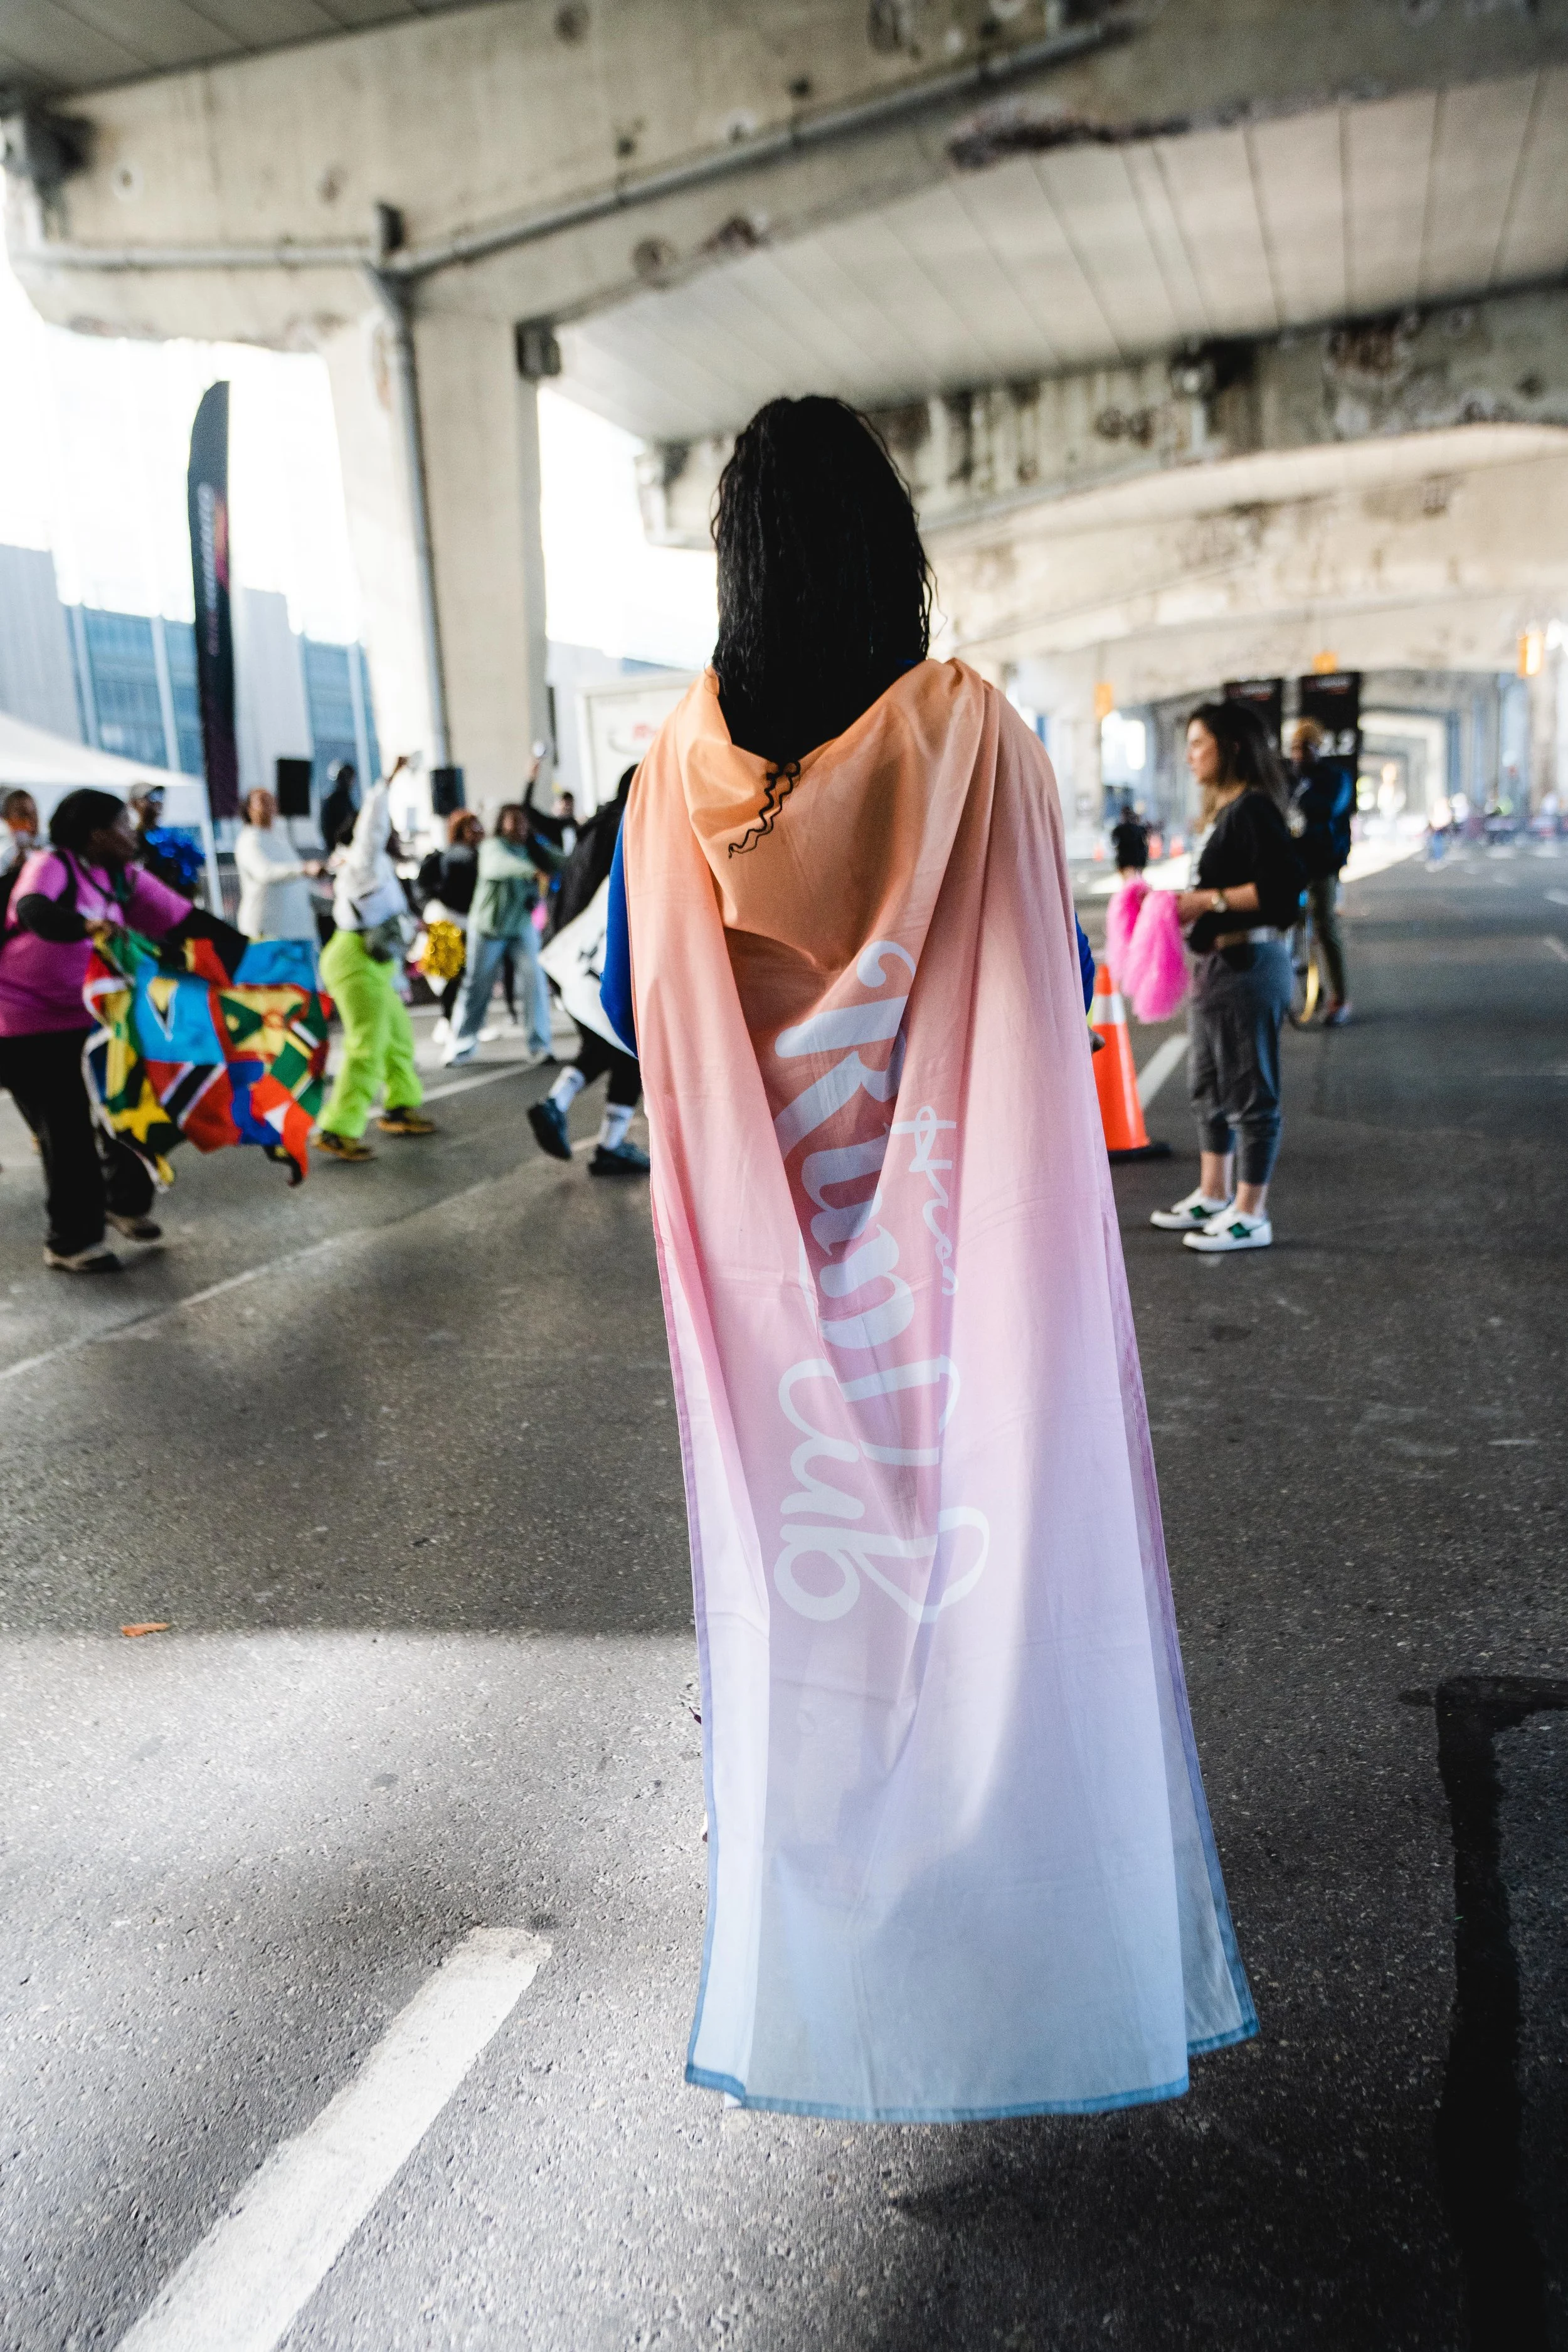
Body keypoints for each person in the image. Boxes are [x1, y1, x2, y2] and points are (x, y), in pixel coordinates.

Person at [606, 395, 1255, 2121]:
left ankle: (840, 1973)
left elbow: (625, 1010)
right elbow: (1041, 975)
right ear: (892, 549)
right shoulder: (975, 736)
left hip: (777, 1280)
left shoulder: (666, 781)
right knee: (1003, 1576)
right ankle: (1027, 1945)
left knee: (813, 1602)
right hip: (954, 1256)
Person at [0, 788, 246, 1271]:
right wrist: (87, 927)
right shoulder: (54, 865)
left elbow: (188, 922)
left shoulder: (124, 879)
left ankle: (122, 1201)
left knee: (143, 1099)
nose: (132, 833)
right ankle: (71, 1242)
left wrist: (260, 960)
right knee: (67, 1129)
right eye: (121, 826)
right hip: (22, 1024)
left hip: (91, 1016)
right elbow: (34, 911)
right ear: (96, 835)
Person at [1150, 701, 1306, 1254]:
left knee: (1250, 1092)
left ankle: (1250, 1211)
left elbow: (1285, 893)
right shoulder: (1226, 811)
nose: (1190, 755)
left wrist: (1205, 900)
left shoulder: (1253, 810)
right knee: (1209, 1088)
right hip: (1219, 970)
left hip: (1248, 965)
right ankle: (1215, 1193)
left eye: (1199, 743)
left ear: (1232, 747)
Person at [316, 755, 437, 1162]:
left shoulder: (381, 868)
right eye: (390, 828)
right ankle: (337, 1129)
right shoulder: (362, 859)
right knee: (367, 1044)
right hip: (352, 960)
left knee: (399, 1036)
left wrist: (418, 929)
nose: (395, 833)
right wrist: (391, 777)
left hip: (377, 963)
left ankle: (400, 1108)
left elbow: (388, 919)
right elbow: (372, 823)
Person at [531, 765, 649, 1176]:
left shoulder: (594, 826)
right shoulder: (629, 825)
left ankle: (560, 1106)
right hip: (600, 960)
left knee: (608, 1046)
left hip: (568, 958)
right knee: (632, 1045)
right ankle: (606, 1143)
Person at [441, 804, 560, 1067]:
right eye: (512, 822)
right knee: (477, 986)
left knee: (535, 981)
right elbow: (499, 867)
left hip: (520, 927)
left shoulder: (533, 848)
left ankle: (540, 1046)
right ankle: (460, 1046)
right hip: (488, 929)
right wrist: (532, 871)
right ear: (501, 824)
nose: (519, 827)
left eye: (523, 822)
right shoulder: (491, 848)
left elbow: (564, 861)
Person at [1288, 719, 1354, 1024]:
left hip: (1324, 864)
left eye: (1305, 748)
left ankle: (1340, 997)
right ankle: (1307, 996)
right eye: (1294, 748)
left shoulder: (1335, 778)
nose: (1299, 755)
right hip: (1293, 865)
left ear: (1319, 748)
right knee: (1292, 931)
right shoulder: (1290, 779)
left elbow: (1329, 809)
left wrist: (1300, 799)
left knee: (1326, 928)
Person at [415, 809, 484, 1044]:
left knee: (463, 974)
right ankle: (449, 1020)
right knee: (452, 974)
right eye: (470, 828)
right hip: (448, 921)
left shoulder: (478, 855)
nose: (476, 832)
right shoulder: (454, 856)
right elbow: (424, 888)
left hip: (468, 921)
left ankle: (459, 1021)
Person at [235, 787, 323, 941]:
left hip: (297, 933)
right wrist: (305, 869)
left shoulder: (279, 840)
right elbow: (265, 873)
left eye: (272, 801)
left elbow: (298, 880)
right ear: (249, 809)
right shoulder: (249, 840)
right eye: (263, 802)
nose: (269, 806)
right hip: (268, 934)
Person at [318, 759, 359, 856]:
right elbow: (330, 833)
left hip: (350, 851)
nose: (349, 781)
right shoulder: (332, 801)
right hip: (338, 852)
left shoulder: (347, 800)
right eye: (346, 777)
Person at [1, 790, 40, 876]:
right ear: (6, 819)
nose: (30, 821)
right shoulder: (4, 855)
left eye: (33, 813)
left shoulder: (51, 851)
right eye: (22, 814)